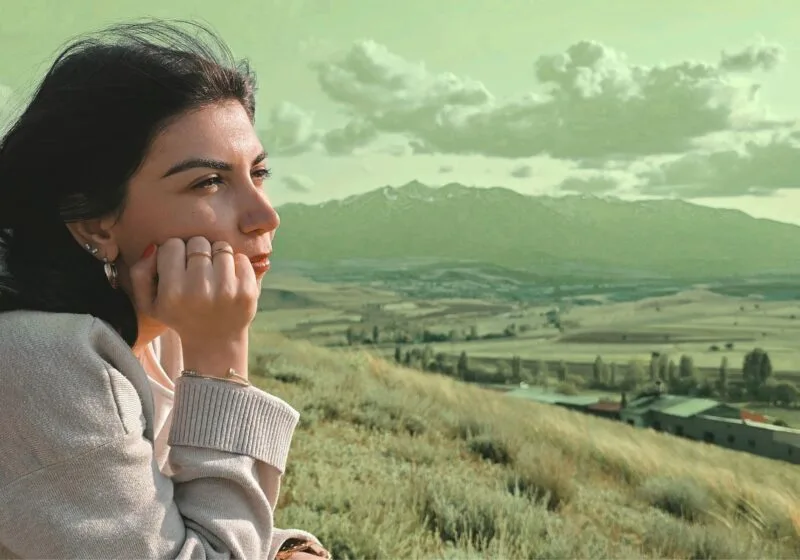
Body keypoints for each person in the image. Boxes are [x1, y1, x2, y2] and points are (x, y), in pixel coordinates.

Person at [0, 19, 329, 560]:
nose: (264, 216)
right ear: (95, 223)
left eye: (259, 172)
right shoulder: (42, 360)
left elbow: (158, 527)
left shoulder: (158, 332)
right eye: (209, 182)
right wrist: (221, 357)